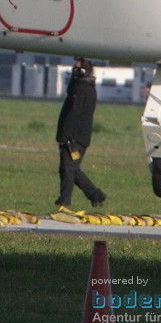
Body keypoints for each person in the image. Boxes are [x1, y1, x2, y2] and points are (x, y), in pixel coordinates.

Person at [55, 58, 107, 209]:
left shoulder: (81, 89)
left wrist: (65, 136)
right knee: (71, 169)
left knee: (67, 169)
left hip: (74, 137)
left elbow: (73, 113)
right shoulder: (86, 87)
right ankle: (96, 194)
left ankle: (64, 200)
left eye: (75, 70)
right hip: (79, 136)